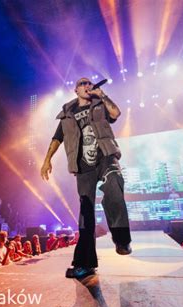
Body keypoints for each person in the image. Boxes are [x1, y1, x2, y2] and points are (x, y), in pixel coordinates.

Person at [40, 77, 132, 279]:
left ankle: (121, 239)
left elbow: (116, 113)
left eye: (90, 83)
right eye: (83, 83)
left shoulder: (100, 104)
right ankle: (85, 263)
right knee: (86, 214)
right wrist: (47, 160)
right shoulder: (67, 114)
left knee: (114, 185)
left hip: (106, 157)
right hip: (83, 167)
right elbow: (57, 139)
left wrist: (103, 96)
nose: (88, 85)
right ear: (76, 90)